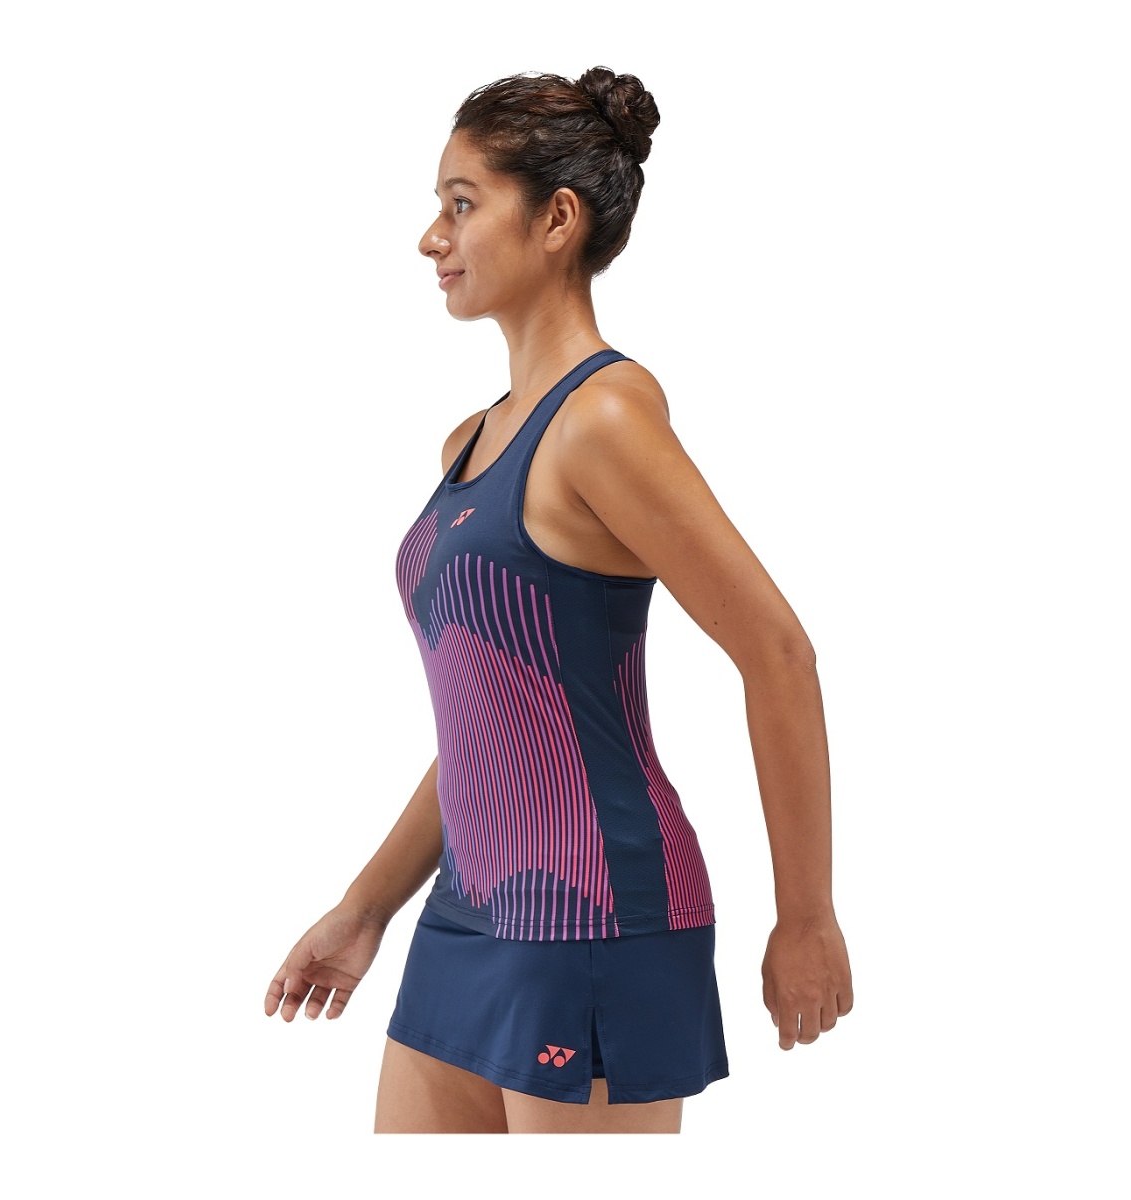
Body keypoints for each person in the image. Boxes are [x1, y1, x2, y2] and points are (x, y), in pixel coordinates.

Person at [264, 65, 853, 1135]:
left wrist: (805, 915)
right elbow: (493, 724)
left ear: (556, 221)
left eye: (461, 203)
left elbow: (778, 653)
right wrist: (365, 908)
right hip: (465, 918)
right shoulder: (471, 440)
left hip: (597, 921)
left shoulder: (605, 420)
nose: (431, 237)